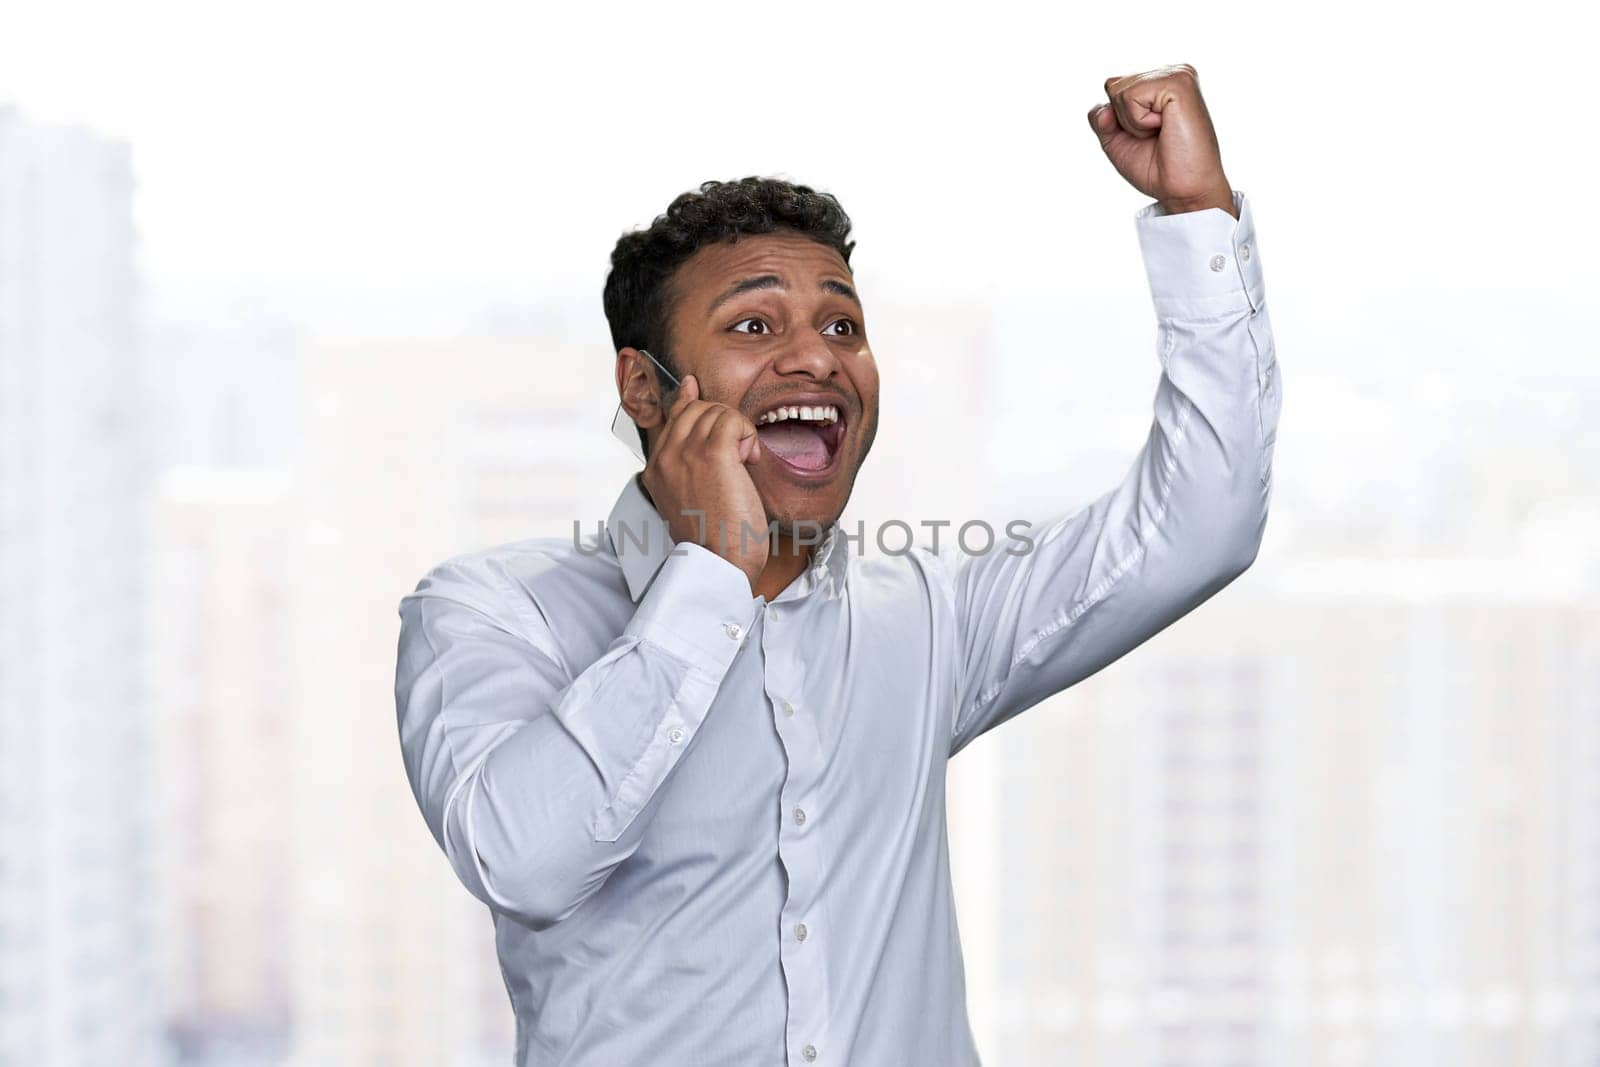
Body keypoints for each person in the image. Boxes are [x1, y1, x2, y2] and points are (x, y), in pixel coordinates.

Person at [394, 63, 1279, 1067]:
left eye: (843, 324)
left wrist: (1197, 214)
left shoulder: (928, 617)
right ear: (643, 388)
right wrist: (708, 573)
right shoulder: (489, 611)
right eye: (754, 325)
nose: (816, 356)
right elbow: (526, 857)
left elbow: (1199, 526)